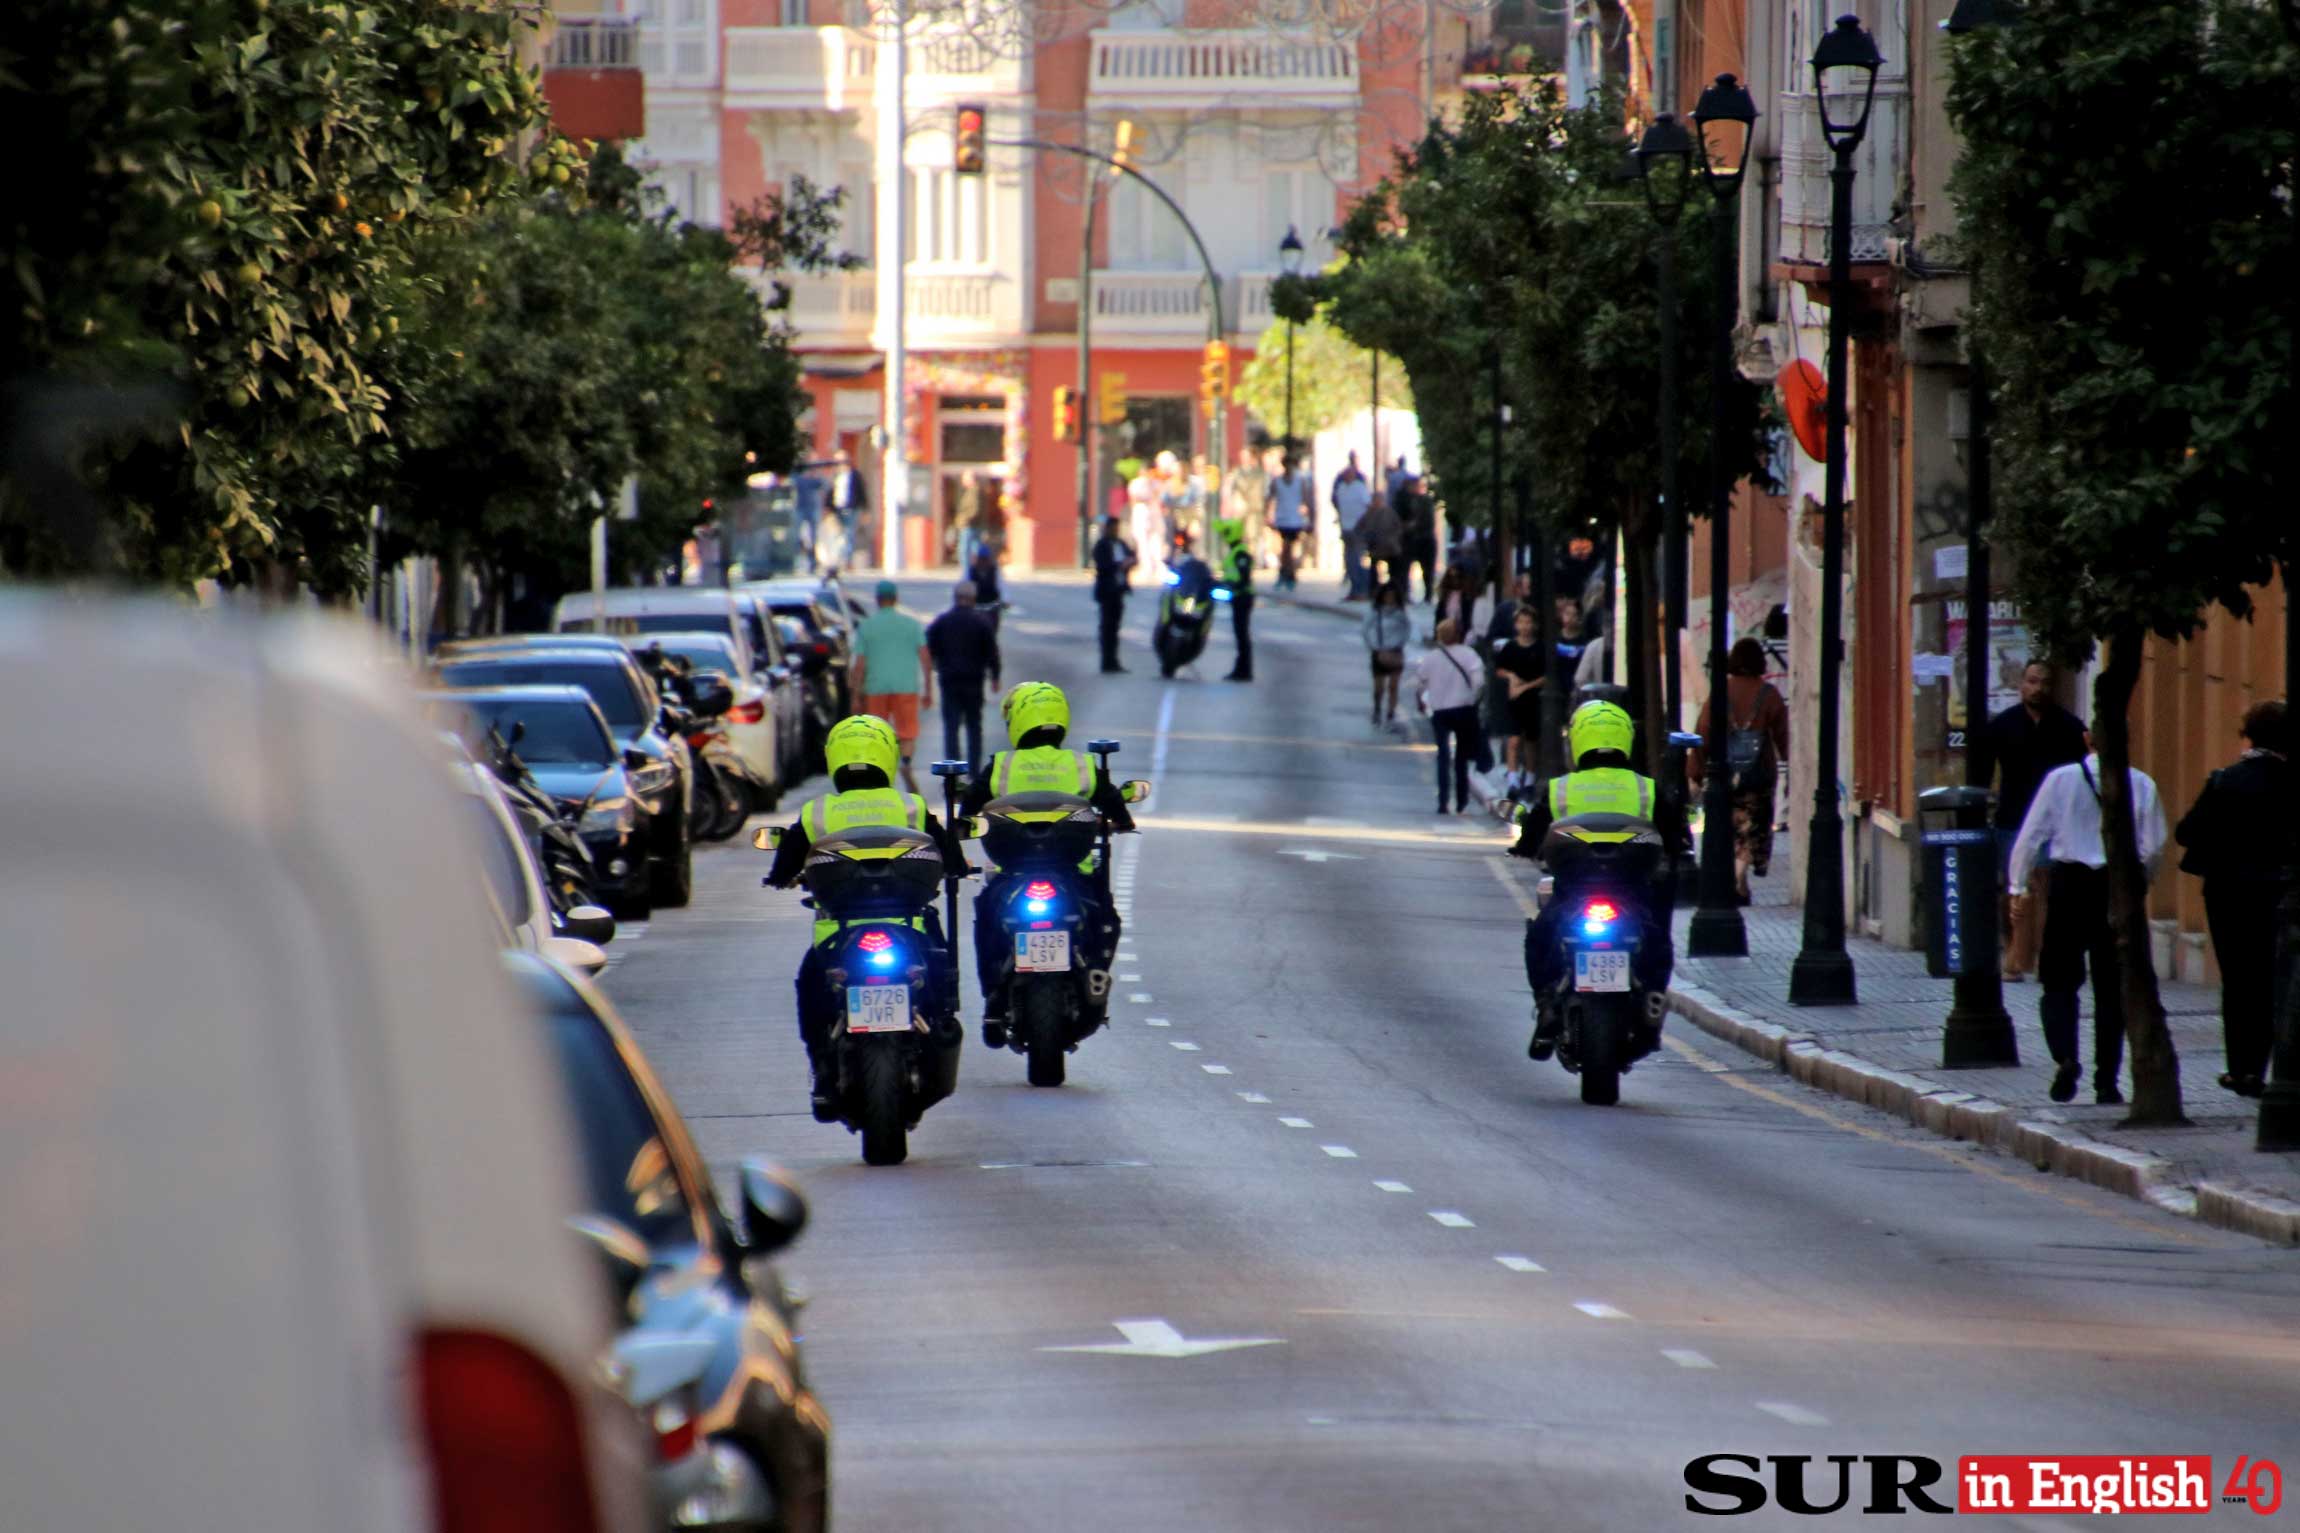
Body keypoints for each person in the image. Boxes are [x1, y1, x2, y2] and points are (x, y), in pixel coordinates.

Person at [762, 715, 964, 1119]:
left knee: (811, 989)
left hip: (838, 937)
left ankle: (822, 1068)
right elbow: (949, 857)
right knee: (941, 971)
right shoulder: (911, 806)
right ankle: (937, 1024)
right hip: (911, 929)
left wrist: (779, 878)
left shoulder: (817, 812)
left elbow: (784, 864)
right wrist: (956, 866)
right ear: (887, 757)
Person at [958, 683, 1137, 1044]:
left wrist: (964, 825)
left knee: (988, 920)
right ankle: (1096, 973)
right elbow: (1112, 800)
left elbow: (968, 809)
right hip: (1074, 875)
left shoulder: (1002, 766)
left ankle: (993, 995)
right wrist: (1123, 822)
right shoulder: (1082, 764)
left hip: (1013, 877)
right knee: (1106, 918)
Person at [1509, 699, 1687, 1061]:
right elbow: (1674, 835)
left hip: (1574, 895)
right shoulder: (1645, 790)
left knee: (1541, 937)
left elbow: (1531, 834)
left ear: (1577, 740)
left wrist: (1523, 846)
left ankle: (1546, 1005)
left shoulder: (1562, 789)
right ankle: (1652, 998)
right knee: (1655, 940)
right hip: (1631, 894)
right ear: (1626, 738)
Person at [2008, 728, 2169, 1105]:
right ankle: (2106, 1081)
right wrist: (2140, 881)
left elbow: (2030, 836)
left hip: (2069, 886)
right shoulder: (2140, 783)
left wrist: (2018, 886)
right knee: (2111, 990)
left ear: (2086, 739)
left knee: (2058, 981)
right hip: (2114, 888)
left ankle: (2065, 1056)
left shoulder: (2060, 780)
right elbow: (2154, 845)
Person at [2173, 700, 2292, 1098]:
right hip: (2278, 891)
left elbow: (2186, 833)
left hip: (2227, 894)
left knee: (2238, 979)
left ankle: (2242, 1068)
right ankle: (2276, 1065)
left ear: (2248, 735)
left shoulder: (2225, 781)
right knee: (2275, 978)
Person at [1978, 660, 2088, 979]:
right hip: (2013, 818)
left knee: (2048, 891)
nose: (2038, 688)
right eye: (2032, 681)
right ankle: (2013, 953)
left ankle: (2043, 953)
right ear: (2021, 685)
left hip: (2055, 823)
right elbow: (1985, 772)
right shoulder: (2003, 725)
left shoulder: (2069, 727)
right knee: (2014, 889)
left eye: (2045, 682)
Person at [1686, 636, 1791, 903]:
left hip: (1725, 773)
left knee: (1731, 831)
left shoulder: (1721, 692)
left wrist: (1696, 771)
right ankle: (1737, 882)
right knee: (1751, 832)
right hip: (1759, 776)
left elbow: (1704, 731)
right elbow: (1783, 735)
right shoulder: (1769, 694)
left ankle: (1739, 885)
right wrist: (1791, 767)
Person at [848, 579, 932, 795]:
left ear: (877, 600)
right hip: (905, 687)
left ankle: (884, 771)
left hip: (876, 688)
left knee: (878, 734)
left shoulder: (866, 627)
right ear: (896, 599)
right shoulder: (911, 625)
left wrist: (856, 694)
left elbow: (860, 664)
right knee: (907, 733)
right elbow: (925, 657)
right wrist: (929, 689)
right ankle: (905, 761)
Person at [925, 580, 1001, 775]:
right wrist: (995, 676)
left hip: (949, 679)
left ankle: (953, 773)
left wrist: (935, 664)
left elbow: (929, 645)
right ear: (973, 599)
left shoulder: (943, 621)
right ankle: (974, 772)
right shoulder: (981, 622)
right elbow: (991, 651)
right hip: (973, 681)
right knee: (974, 727)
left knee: (951, 727)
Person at [1414, 618, 1485, 815]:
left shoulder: (1432, 657)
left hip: (1440, 711)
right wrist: (1473, 699)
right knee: (1461, 757)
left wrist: (1421, 700)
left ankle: (1443, 801)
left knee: (1443, 755)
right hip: (1464, 709)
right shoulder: (1470, 655)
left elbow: (1420, 683)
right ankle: (1462, 801)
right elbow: (1479, 682)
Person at [1490, 604, 1548, 796]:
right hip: (1514, 701)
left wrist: (1525, 687)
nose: (1525, 626)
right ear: (1516, 625)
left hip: (1532, 700)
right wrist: (1512, 677)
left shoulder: (1540, 648)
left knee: (1531, 741)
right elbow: (1499, 669)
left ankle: (1530, 779)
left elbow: (1546, 676)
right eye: (1521, 622)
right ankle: (1513, 780)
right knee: (1514, 740)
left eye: (1529, 622)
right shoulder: (1510, 647)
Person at [1214, 513, 1255, 683]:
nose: (1223, 536)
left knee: (1242, 634)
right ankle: (1241, 668)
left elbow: (1243, 577)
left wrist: (1232, 586)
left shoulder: (1240, 553)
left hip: (1243, 597)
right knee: (1239, 633)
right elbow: (1231, 576)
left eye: (1226, 533)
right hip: (1237, 597)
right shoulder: (1233, 552)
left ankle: (1244, 670)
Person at [1362, 582, 1412, 725]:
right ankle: (1377, 708)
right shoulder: (1376, 613)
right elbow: (1365, 630)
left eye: (1392, 597)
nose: (1389, 599)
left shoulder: (1400, 614)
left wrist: (1399, 644)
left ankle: (1391, 712)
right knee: (1379, 687)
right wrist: (1374, 647)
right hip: (1379, 652)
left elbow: (1407, 631)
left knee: (1393, 686)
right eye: (1387, 596)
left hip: (1395, 652)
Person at [1091, 514, 1134, 674]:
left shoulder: (1121, 544)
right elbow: (1103, 566)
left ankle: (1114, 660)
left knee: (1115, 628)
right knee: (1106, 627)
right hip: (1107, 590)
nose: (1115, 531)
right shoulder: (1101, 545)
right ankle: (1106, 660)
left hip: (1119, 590)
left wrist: (1130, 562)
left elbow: (1131, 555)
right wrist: (1119, 566)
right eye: (1113, 528)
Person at [1332, 453, 1372, 600]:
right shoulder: (1341, 488)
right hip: (1346, 527)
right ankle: (1354, 588)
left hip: (1358, 527)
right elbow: (1337, 502)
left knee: (1357, 558)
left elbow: (1368, 506)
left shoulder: (1360, 488)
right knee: (1349, 559)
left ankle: (1361, 588)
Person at [1267, 455, 1311, 589]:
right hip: (1282, 518)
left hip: (1294, 519)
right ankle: (1288, 574)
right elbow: (1270, 498)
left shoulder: (1300, 480)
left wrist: (1306, 516)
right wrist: (1269, 515)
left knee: (1288, 548)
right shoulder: (1277, 481)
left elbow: (1304, 500)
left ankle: (1285, 574)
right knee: (1286, 548)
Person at [1397, 474, 1439, 603]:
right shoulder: (1404, 499)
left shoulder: (1426, 500)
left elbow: (1428, 521)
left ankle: (1428, 594)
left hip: (1424, 539)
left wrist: (1413, 525)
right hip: (1410, 540)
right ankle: (1406, 594)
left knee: (1427, 569)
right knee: (1405, 568)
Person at [1357, 490, 1404, 597]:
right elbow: (1360, 528)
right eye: (1375, 500)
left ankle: (1395, 592)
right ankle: (1373, 592)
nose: (1376, 502)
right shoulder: (1369, 514)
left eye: (1378, 500)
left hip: (1390, 547)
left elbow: (1398, 528)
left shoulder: (1390, 512)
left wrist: (1392, 539)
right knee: (1373, 571)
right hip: (1375, 548)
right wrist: (1366, 539)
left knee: (1394, 572)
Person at [966, 545, 1004, 631]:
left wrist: (1006, 600)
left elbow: (1002, 585)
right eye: (980, 558)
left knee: (992, 629)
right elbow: (964, 586)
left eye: (985, 558)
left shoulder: (995, 571)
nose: (983, 561)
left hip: (992, 605)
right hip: (975, 606)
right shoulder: (970, 571)